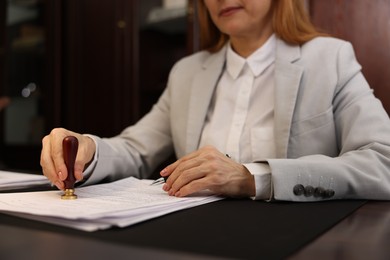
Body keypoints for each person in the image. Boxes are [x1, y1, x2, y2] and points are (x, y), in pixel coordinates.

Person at [40, 0, 390, 201]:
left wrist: (252, 177)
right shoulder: (187, 73)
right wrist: (85, 148)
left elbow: (382, 162)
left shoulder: (330, 59)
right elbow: (135, 149)